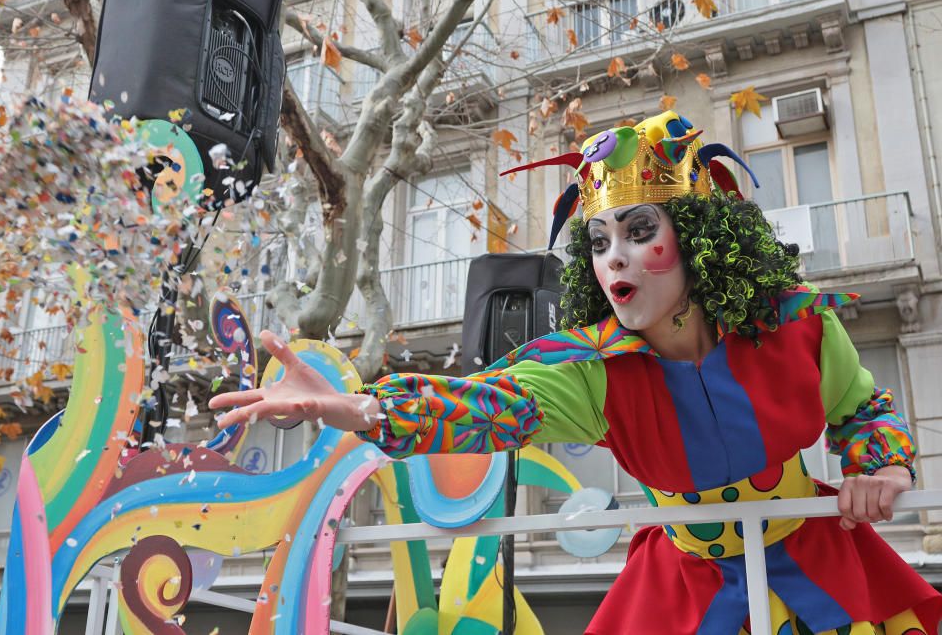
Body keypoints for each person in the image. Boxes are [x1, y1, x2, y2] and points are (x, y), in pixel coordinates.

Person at [209, 111, 942, 634]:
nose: (613, 256)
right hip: (679, 595)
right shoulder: (593, 369)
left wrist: (882, 471)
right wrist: (358, 408)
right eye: (598, 240)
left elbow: (865, 412)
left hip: (822, 568)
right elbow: (485, 405)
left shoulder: (794, 325)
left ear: (698, 239)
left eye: (639, 231)